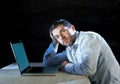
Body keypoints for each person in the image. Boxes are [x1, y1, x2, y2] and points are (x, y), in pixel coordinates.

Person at [42, 19, 120, 84]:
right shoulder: (70, 49)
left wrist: (66, 66)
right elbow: (48, 62)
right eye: (57, 37)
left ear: (72, 28)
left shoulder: (90, 39)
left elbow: (88, 69)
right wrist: (54, 43)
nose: (61, 37)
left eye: (63, 31)